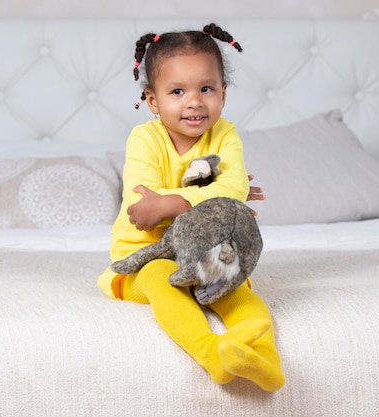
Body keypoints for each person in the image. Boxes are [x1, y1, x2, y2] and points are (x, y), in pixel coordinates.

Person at [98, 23, 285, 392]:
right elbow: (142, 210)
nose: (194, 101)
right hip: (144, 256)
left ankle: (265, 358)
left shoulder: (225, 134)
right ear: (153, 100)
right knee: (160, 278)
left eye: (206, 89)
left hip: (209, 251)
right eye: (178, 91)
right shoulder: (144, 139)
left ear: (223, 93)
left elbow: (233, 187)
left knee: (237, 292)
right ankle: (212, 353)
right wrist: (213, 197)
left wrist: (174, 201)